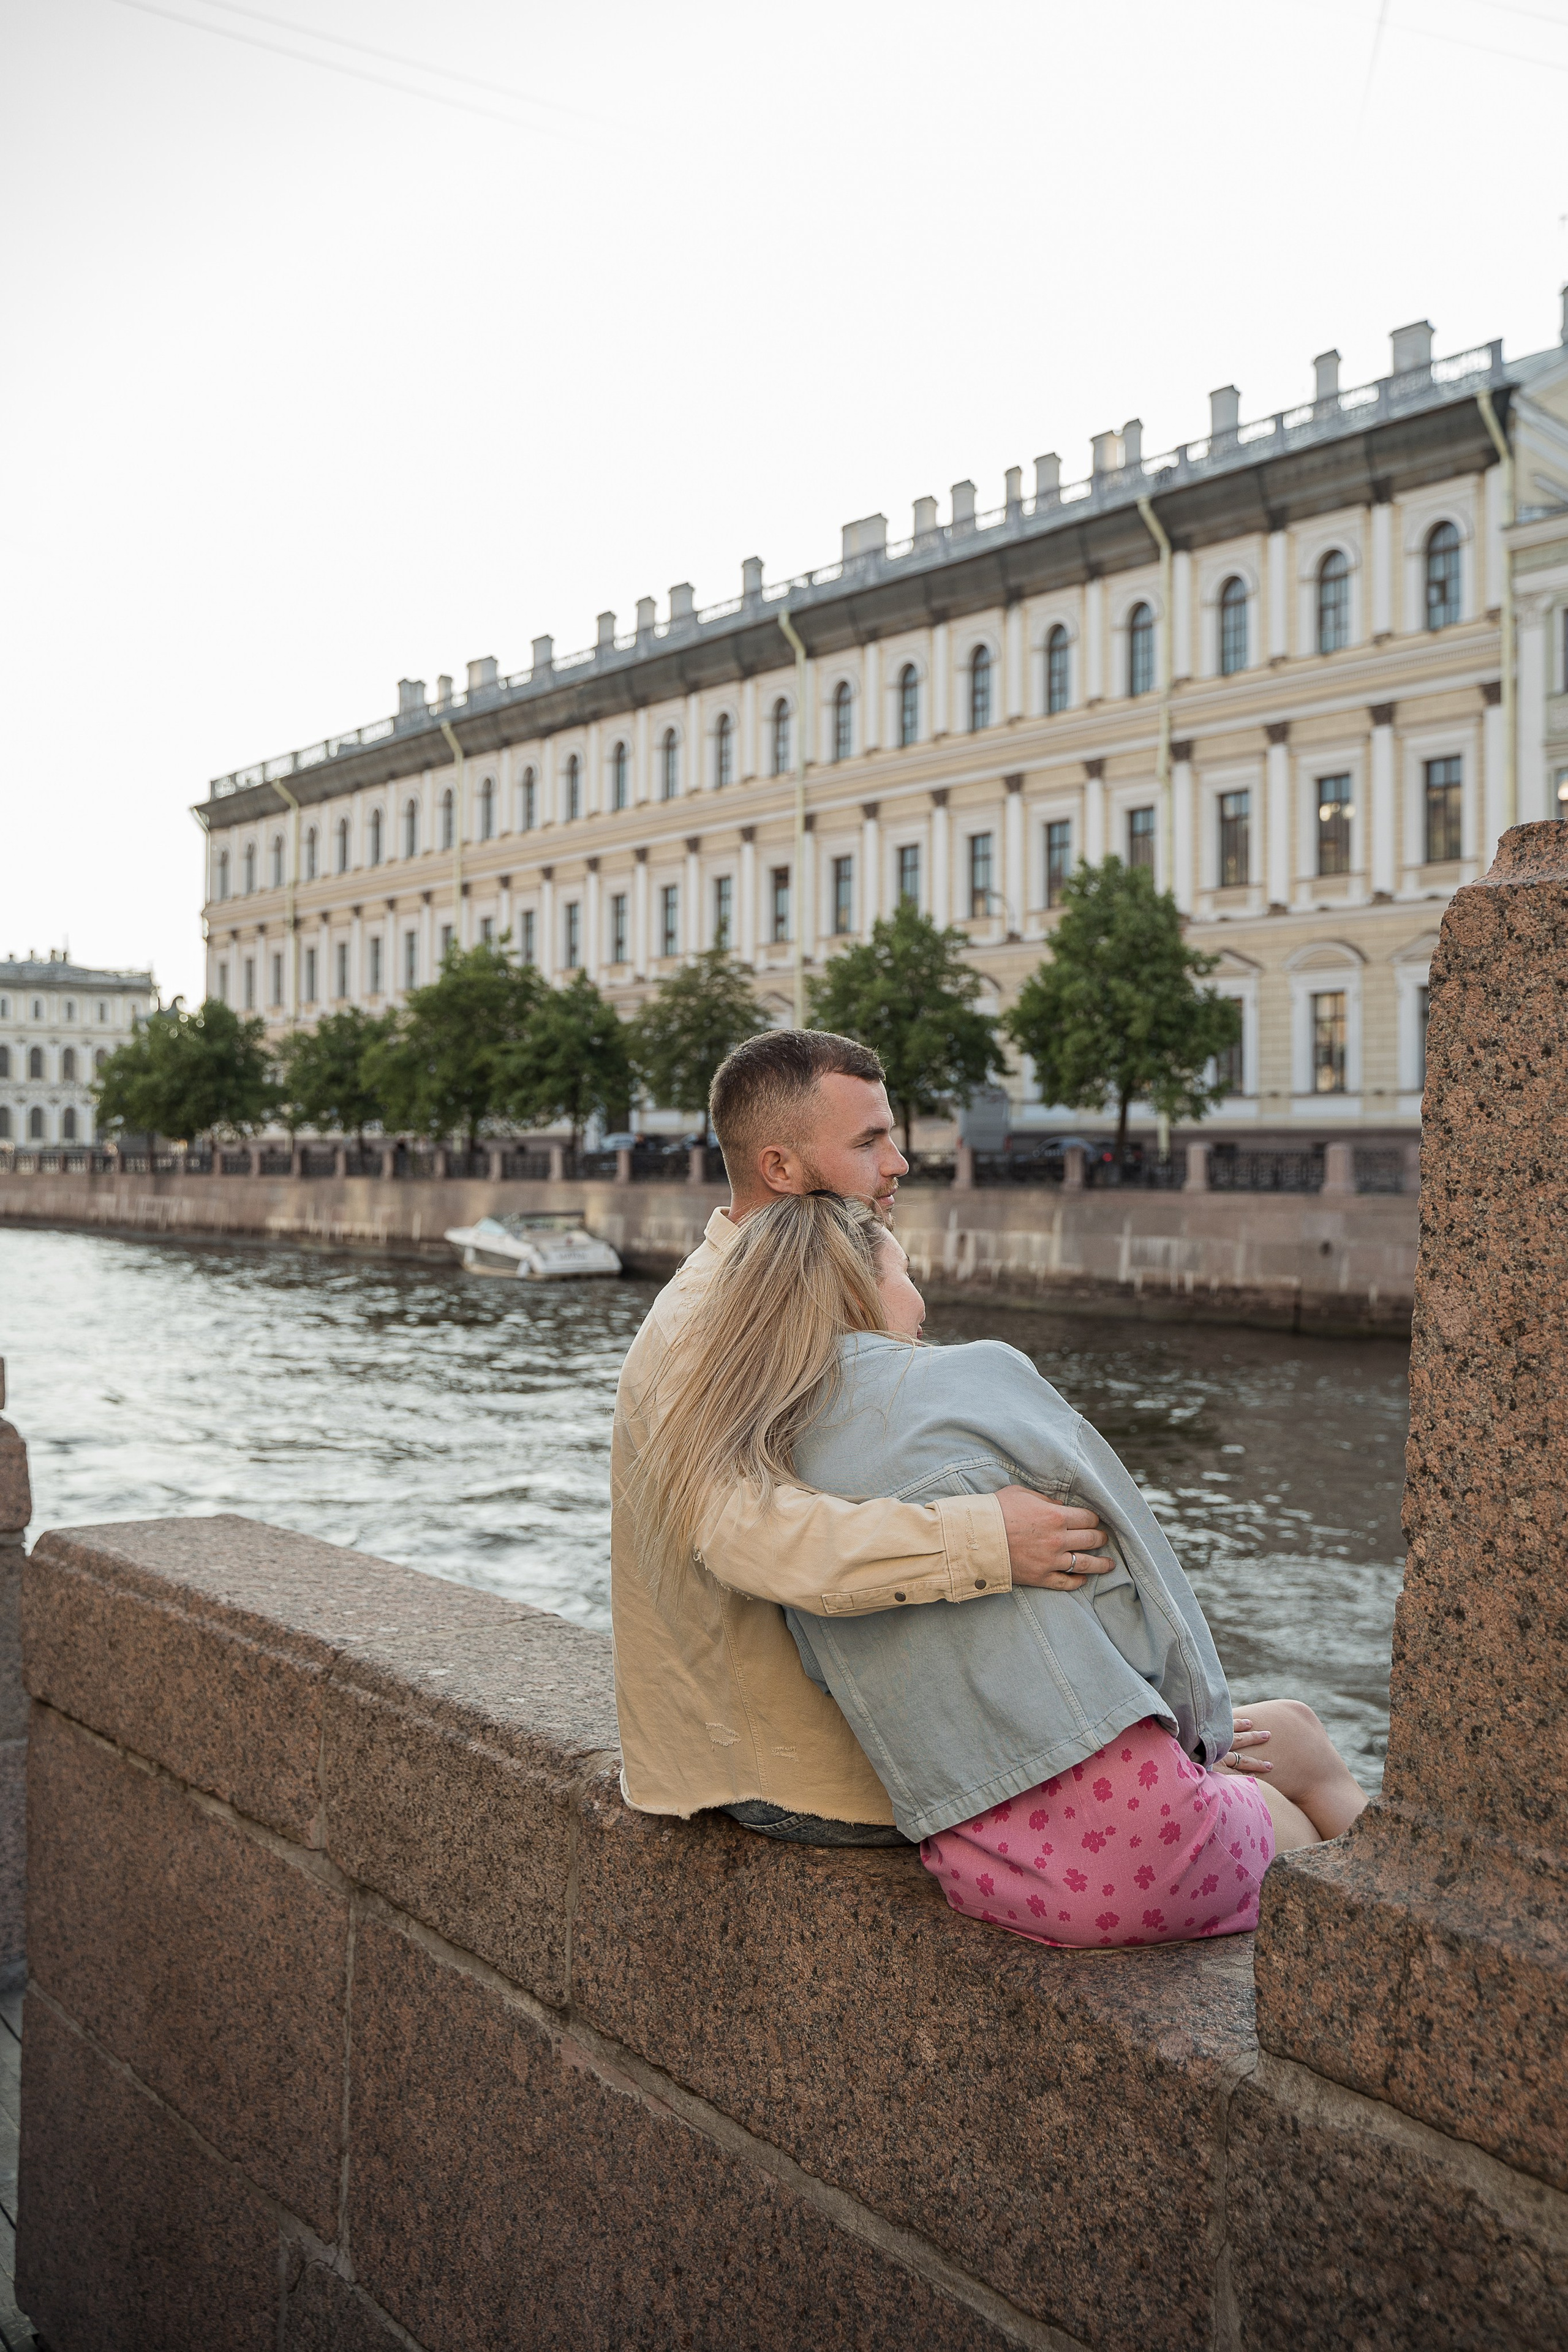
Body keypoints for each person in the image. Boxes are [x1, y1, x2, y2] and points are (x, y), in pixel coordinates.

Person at [630, 1188, 1368, 1949]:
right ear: (858, 1285)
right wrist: (1199, 1742)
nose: (919, 1300)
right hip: (1141, 1853)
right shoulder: (979, 1376)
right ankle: (1403, 1956)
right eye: (904, 1271)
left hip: (983, 1868)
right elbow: (1144, 1586)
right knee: (1298, 1741)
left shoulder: (770, 1453)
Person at [609, 1029, 1121, 1844]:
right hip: (794, 1779)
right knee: (1246, 1804)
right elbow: (744, 1536)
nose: (899, 1163)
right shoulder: (711, 1319)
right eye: (869, 1141)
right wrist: (990, 1538)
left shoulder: (770, 1289)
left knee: (1260, 1754)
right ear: (780, 1168)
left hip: (812, 1749)